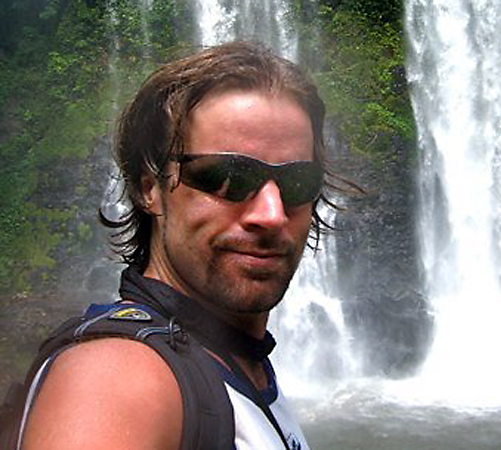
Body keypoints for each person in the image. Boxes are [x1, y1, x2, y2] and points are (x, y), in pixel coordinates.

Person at [15, 41, 345, 450]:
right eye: (228, 177)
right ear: (149, 189)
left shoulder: (240, 365)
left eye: (297, 182)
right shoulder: (118, 378)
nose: (272, 214)